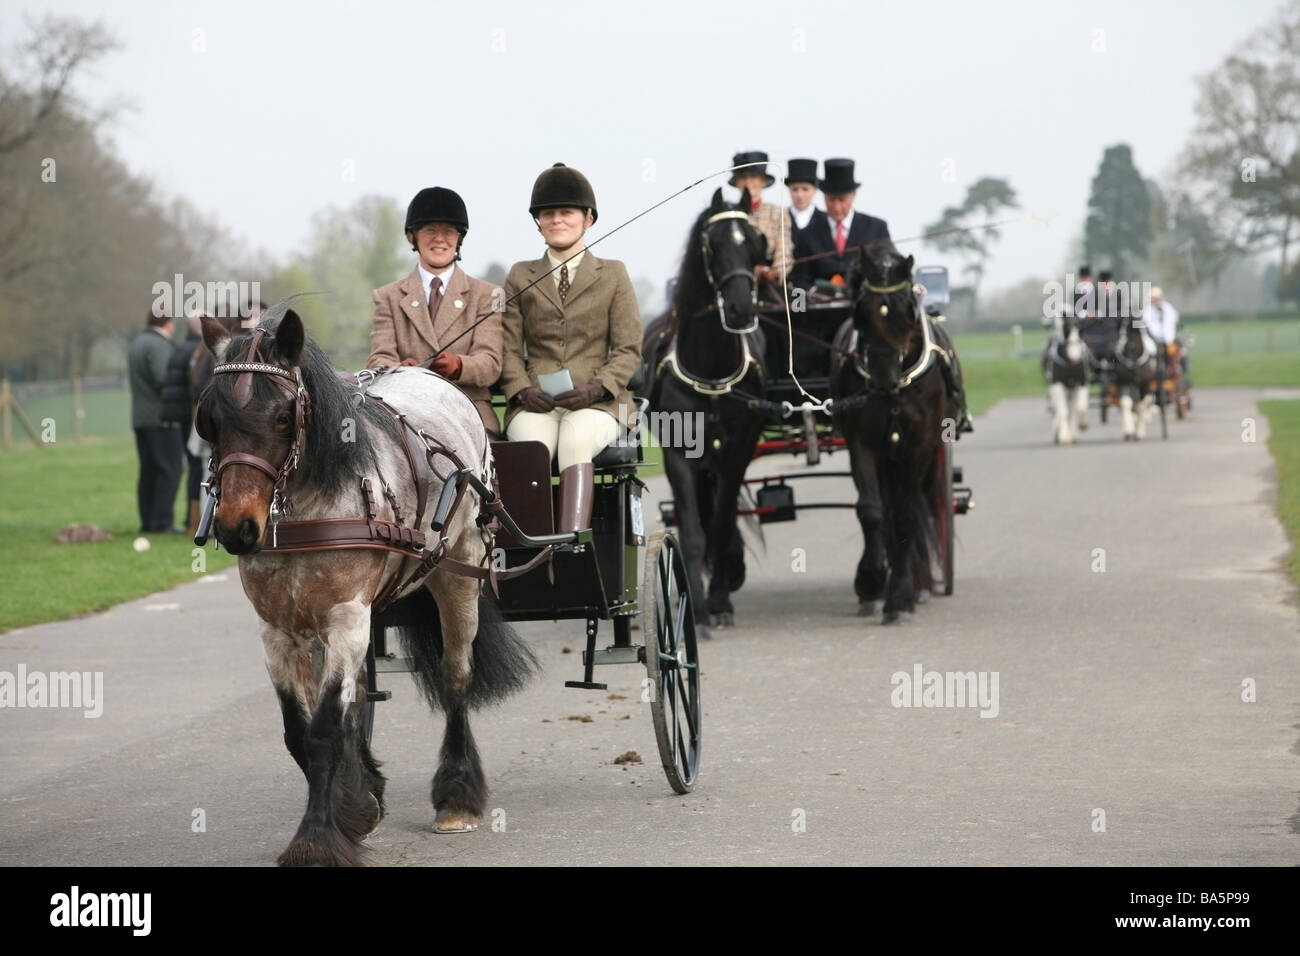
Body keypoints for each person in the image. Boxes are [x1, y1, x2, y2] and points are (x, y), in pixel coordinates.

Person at [500, 163, 641, 533]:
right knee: (532, 448)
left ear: (588, 219)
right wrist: (521, 390)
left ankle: (570, 542)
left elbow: (628, 348)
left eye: (566, 213)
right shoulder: (520, 274)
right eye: (549, 214)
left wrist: (598, 386)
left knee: (575, 439)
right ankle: (533, 545)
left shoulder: (613, 274)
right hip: (537, 403)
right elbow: (508, 348)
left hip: (598, 403)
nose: (557, 220)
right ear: (538, 222)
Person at [368, 187, 504, 436]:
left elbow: (491, 363)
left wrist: (459, 366)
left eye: (448, 231)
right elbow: (379, 360)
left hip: (469, 411)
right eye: (430, 230)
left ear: (459, 238)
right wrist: (399, 370)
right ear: (414, 237)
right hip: (407, 413)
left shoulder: (487, 295)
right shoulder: (387, 297)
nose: (439, 239)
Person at [790, 158, 889, 289]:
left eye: (842, 200)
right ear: (824, 196)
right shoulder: (807, 235)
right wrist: (810, 297)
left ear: (853, 195)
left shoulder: (876, 229)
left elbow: (887, 268)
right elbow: (799, 278)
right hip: (820, 305)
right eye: (831, 200)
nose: (836, 207)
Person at [128, 310, 185, 533]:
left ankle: (148, 521)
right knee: (171, 470)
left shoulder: (138, 342)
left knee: (149, 471)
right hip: (162, 419)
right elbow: (164, 378)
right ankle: (162, 522)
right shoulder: (159, 345)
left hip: (141, 418)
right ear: (168, 323)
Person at [159, 311, 205, 534]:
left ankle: (191, 520)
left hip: (182, 418)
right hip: (194, 417)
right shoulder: (199, 351)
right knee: (199, 468)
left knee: (193, 468)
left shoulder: (179, 349)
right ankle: (196, 521)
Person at [729, 150, 792, 287]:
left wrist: (774, 272)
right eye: (743, 178)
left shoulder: (777, 213)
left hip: (770, 285)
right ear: (737, 182)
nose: (748, 182)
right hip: (738, 284)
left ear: (763, 181)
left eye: (753, 177)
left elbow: (784, 251)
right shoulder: (730, 215)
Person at [785, 157, 824, 239]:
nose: (800, 195)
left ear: (815, 190)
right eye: (795, 189)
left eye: (805, 189)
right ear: (789, 190)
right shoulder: (779, 218)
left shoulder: (825, 220)